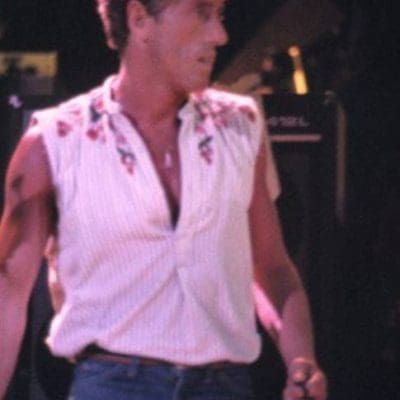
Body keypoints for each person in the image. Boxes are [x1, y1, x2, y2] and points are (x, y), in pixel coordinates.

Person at [0, 0, 328, 399]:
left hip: (224, 386)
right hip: (113, 384)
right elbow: (8, 292)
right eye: (202, 13)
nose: (220, 35)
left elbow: (272, 268)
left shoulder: (240, 124)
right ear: (139, 19)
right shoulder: (55, 140)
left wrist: (300, 359)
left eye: (220, 16)